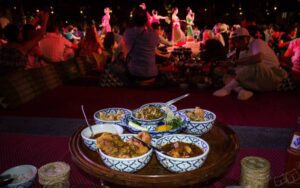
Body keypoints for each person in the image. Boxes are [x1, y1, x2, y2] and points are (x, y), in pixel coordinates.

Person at [213, 28, 289, 100]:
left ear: (246, 38)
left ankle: (227, 89)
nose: (236, 45)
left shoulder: (257, 42)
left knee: (255, 63)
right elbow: (243, 69)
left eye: (237, 41)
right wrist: (227, 69)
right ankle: (241, 91)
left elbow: (258, 58)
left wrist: (232, 62)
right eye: (234, 42)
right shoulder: (242, 50)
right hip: (258, 82)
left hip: (272, 77)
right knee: (226, 75)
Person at [123, 7, 159, 82]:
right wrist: (148, 24)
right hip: (152, 73)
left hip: (135, 73)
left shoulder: (129, 32)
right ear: (146, 20)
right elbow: (155, 44)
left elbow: (125, 52)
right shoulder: (153, 33)